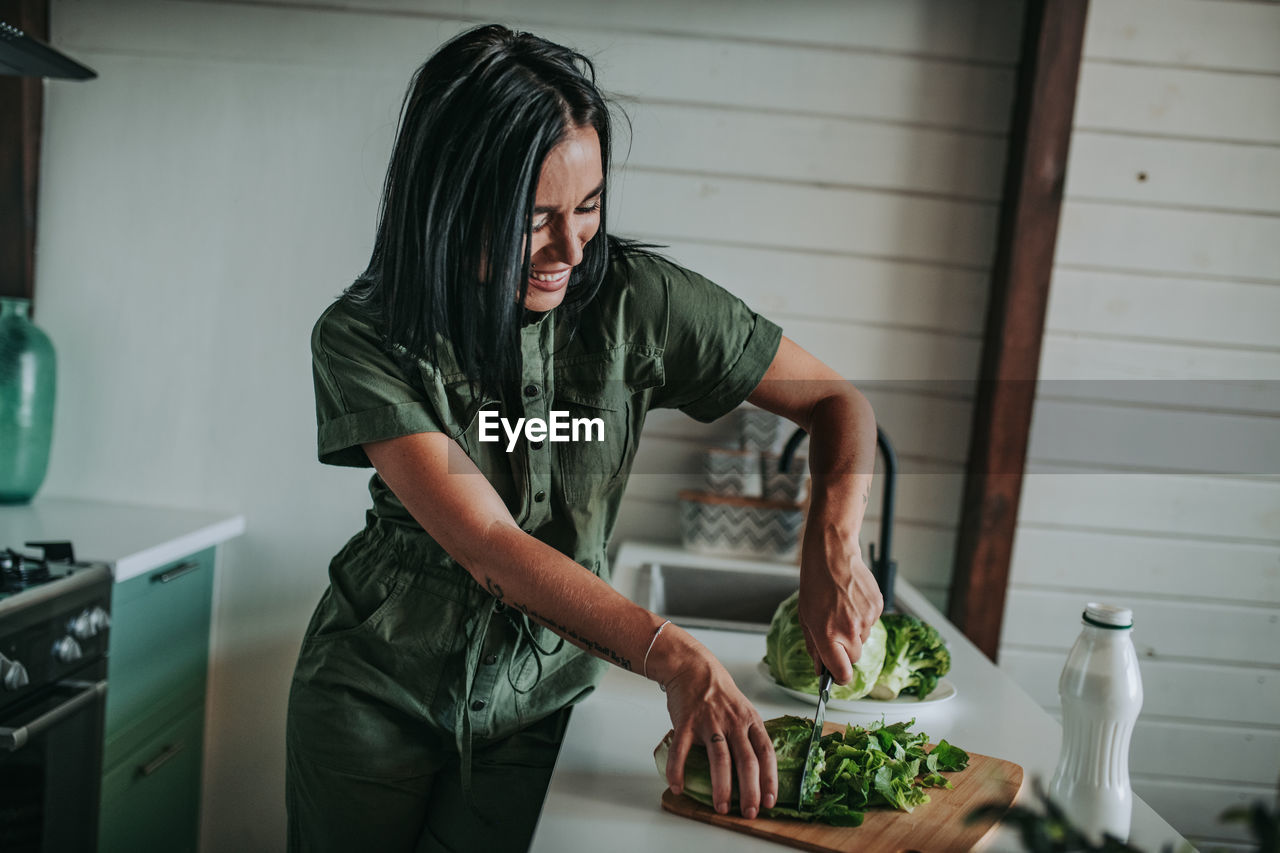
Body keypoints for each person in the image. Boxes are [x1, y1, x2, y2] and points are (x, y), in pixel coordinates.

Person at [285, 23, 881, 853]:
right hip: (373, 690)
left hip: (541, 707)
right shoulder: (363, 335)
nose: (571, 247)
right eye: (533, 219)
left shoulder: (642, 302)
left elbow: (836, 400)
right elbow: (489, 541)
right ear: (453, 205)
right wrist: (677, 658)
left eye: (590, 206)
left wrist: (833, 543)